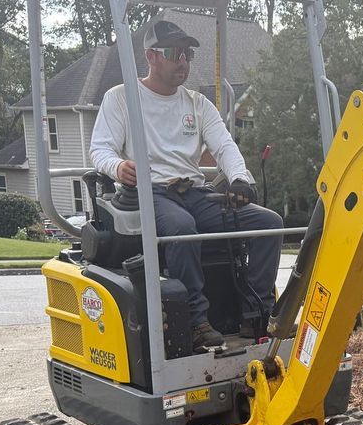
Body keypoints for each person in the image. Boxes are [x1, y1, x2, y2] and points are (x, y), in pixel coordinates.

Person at [89, 19, 283, 352]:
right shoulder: (122, 98)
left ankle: (256, 313)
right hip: (150, 193)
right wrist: (118, 166)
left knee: (269, 223)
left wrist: (240, 179)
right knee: (182, 228)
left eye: (188, 53)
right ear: (151, 57)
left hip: (193, 192)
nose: (183, 61)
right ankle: (196, 320)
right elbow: (99, 149)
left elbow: (223, 146)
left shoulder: (196, 103)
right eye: (174, 53)